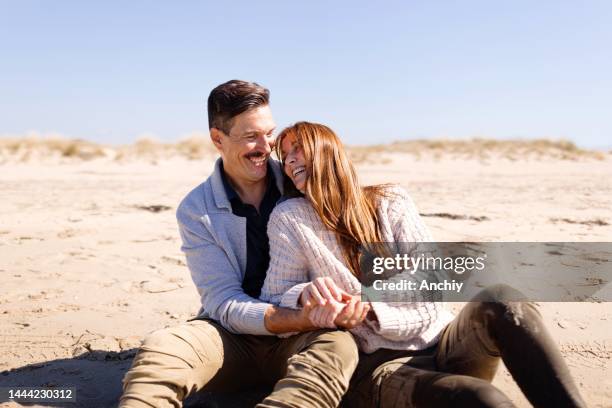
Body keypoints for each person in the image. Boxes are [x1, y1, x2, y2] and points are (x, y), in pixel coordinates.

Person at [260, 121, 586, 407]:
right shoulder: (289, 218)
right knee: (482, 399)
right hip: (379, 368)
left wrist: (370, 303)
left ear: (326, 150)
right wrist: (308, 297)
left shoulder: (391, 201)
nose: (289, 161)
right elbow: (276, 296)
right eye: (284, 156)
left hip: (443, 344)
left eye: (297, 149)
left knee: (504, 298)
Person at [119, 81, 360, 408]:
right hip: (229, 337)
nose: (266, 146)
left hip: (304, 337)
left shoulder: (301, 181)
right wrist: (295, 317)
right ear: (218, 139)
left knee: (338, 347)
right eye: (251, 137)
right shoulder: (196, 209)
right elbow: (223, 302)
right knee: (163, 346)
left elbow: (362, 235)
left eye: (269, 133)